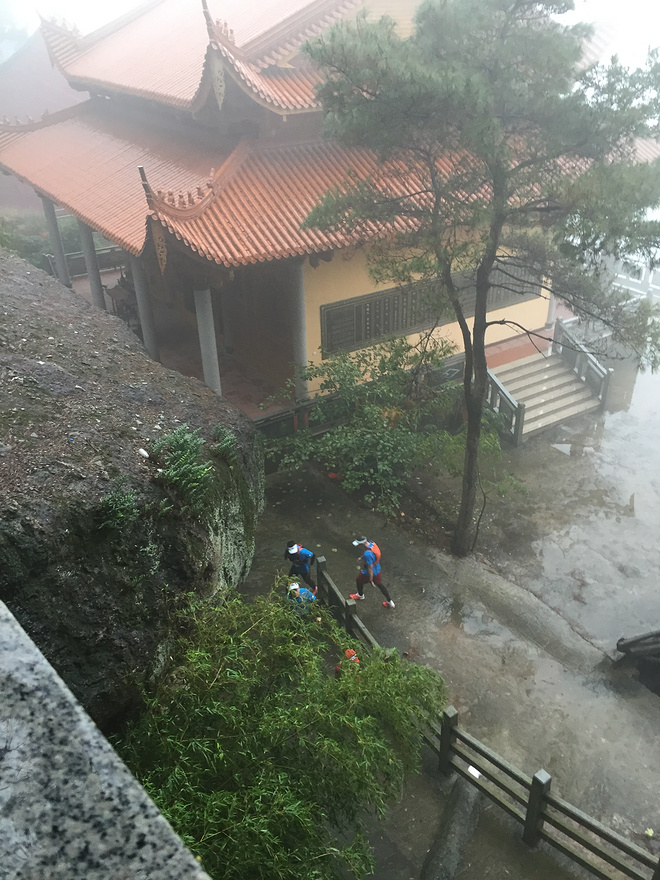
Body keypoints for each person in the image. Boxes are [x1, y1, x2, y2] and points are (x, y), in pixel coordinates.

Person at [350, 536, 395, 608]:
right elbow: (369, 553)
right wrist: (362, 558)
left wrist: (371, 580)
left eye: (359, 544)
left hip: (369, 572)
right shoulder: (371, 543)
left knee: (358, 580)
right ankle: (390, 601)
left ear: (362, 544)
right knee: (380, 585)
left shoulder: (367, 554)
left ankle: (360, 595)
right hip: (377, 568)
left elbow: (369, 567)